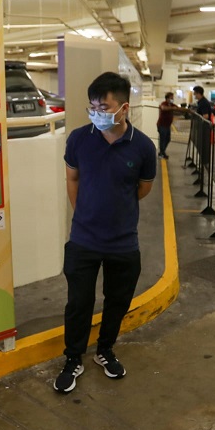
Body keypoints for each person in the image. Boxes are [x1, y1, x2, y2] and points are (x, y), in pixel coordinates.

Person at [56, 72, 157, 393]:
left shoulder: (142, 146)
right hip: (83, 240)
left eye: (104, 106)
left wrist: (116, 211)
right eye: (92, 107)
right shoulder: (78, 139)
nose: (97, 113)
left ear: (124, 108)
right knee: (78, 303)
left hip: (124, 242)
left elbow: (143, 188)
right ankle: (73, 358)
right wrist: (83, 212)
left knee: (117, 301)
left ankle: (105, 350)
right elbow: (73, 179)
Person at [156, 91, 181, 159]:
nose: (172, 99)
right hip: (162, 125)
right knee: (163, 139)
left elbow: (179, 109)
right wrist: (173, 108)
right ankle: (161, 153)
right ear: (167, 99)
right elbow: (163, 108)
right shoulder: (164, 104)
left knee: (167, 139)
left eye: (173, 98)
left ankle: (162, 151)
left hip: (167, 125)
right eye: (171, 98)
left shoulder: (172, 105)